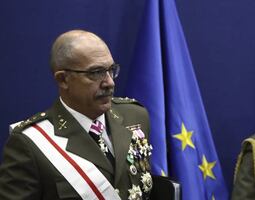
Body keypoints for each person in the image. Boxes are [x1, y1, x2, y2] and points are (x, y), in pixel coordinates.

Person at [0, 30, 153, 199]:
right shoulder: (30, 144)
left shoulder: (135, 115)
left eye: (111, 70)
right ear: (63, 80)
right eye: (96, 73)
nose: (110, 82)